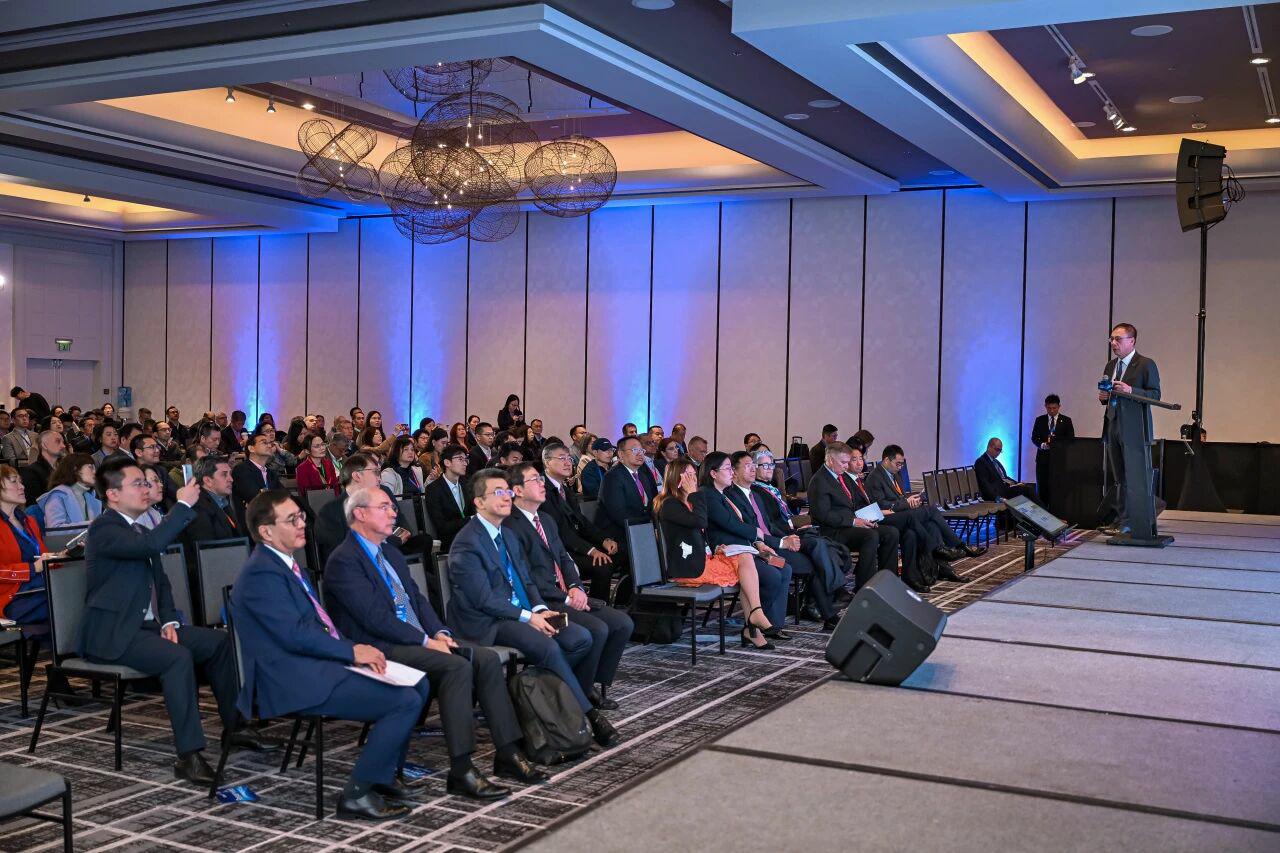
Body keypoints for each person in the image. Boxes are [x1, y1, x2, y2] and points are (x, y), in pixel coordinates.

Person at [323, 486, 546, 798]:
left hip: (415, 638)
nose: (394, 513)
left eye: (392, 507)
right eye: (384, 507)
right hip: (378, 646)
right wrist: (426, 641)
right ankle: (461, 768)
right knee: (456, 667)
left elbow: (417, 599)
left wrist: (439, 632)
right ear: (360, 514)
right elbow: (375, 619)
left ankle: (507, 752)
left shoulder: (389, 551)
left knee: (484, 659)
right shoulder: (344, 560)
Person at [231, 490, 429, 820]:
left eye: (301, 517)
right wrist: (351, 651)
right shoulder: (260, 573)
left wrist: (352, 650)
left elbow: (315, 629)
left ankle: (382, 776)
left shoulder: (286, 564)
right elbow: (295, 635)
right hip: (289, 678)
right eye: (291, 520)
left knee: (418, 684)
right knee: (404, 700)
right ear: (266, 531)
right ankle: (357, 794)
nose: (302, 525)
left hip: (314, 663)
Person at [80, 458, 273, 784]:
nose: (146, 488)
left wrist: (169, 620)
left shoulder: (139, 529)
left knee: (220, 643)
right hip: (114, 633)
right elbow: (151, 545)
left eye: (146, 482)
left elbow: (162, 583)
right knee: (177, 658)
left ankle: (236, 726)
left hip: (146, 628)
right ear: (112, 494)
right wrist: (182, 505)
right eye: (138, 483)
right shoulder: (104, 529)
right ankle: (189, 755)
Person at [445, 468, 618, 747]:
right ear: (479, 502)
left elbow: (525, 580)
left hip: (518, 611)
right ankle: (589, 715)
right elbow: (484, 600)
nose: (506, 497)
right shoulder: (467, 542)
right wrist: (528, 617)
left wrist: (538, 608)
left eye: (507, 491)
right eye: (498, 492)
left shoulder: (506, 534)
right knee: (548, 647)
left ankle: (544, 698)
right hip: (487, 621)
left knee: (580, 638)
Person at [504, 462, 633, 708]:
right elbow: (525, 576)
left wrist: (575, 586)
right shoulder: (511, 525)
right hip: (542, 601)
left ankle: (589, 683)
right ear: (517, 490)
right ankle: (579, 694)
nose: (542, 484)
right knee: (597, 629)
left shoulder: (546, 519)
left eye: (541, 479)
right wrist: (566, 598)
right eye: (535, 480)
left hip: (565, 591)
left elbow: (564, 558)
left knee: (621, 623)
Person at [655, 459, 776, 650]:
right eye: (688, 475)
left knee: (745, 556)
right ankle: (753, 624)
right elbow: (700, 522)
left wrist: (716, 548)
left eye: (694, 474)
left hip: (701, 558)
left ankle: (754, 619)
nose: (693, 479)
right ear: (676, 478)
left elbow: (699, 535)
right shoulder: (670, 504)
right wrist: (694, 494)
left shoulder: (689, 501)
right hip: (687, 567)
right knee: (745, 568)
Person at [732, 451, 841, 630]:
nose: (752, 469)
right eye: (749, 466)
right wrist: (782, 542)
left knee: (816, 557)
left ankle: (820, 611)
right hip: (761, 550)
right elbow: (752, 531)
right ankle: (820, 611)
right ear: (734, 472)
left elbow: (769, 525)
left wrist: (787, 536)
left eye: (753, 465)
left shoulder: (755, 495)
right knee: (807, 562)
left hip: (775, 542)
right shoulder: (735, 496)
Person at [700, 451, 792, 634]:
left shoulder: (723, 494)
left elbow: (742, 522)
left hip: (747, 549)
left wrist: (758, 542)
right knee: (772, 576)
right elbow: (729, 524)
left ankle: (774, 624)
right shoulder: (708, 495)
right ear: (713, 473)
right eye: (728, 468)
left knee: (784, 567)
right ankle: (754, 623)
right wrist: (756, 534)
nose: (731, 472)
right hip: (728, 553)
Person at [867, 445, 979, 574]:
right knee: (932, 511)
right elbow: (881, 504)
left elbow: (900, 497)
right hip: (888, 517)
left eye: (902, 464)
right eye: (898, 464)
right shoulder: (875, 477)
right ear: (886, 460)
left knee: (932, 525)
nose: (900, 467)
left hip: (902, 512)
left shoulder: (895, 474)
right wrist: (906, 503)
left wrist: (911, 500)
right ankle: (957, 546)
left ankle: (942, 568)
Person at [806, 442, 899, 591]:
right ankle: (864, 587)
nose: (846, 466)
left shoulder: (841, 476)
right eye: (843, 462)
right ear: (830, 460)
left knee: (891, 533)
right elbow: (823, 515)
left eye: (847, 462)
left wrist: (866, 519)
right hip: (831, 530)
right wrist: (854, 521)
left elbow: (854, 504)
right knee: (870, 536)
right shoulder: (819, 481)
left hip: (849, 524)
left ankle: (887, 581)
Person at [1099, 322, 1162, 538]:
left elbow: (1155, 395)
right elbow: (1108, 394)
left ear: (1132, 341)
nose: (1113, 343)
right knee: (1119, 477)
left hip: (1135, 429)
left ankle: (1132, 521)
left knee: (1135, 477)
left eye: (1118, 339)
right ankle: (1121, 519)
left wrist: (1130, 390)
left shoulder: (1145, 364)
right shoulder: (1110, 366)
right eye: (1111, 339)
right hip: (1113, 424)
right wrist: (1104, 397)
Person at [540, 443, 623, 602]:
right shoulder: (542, 490)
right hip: (558, 549)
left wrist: (603, 540)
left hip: (574, 543)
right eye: (562, 458)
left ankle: (618, 602)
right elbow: (559, 531)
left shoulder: (564, 488)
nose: (568, 463)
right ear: (547, 462)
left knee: (619, 551)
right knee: (603, 565)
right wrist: (591, 550)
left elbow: (581, 521)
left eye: (569, 458)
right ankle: (596, 607)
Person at [314, 453, 427, 566]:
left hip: (393, 550)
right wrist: (392, 541)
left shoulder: (384, 492)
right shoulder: (331, 512)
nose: (380, 478)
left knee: (424, 541)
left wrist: (400, 535)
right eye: (376, 472)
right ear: (357, 476)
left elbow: (401, 521)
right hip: (360, 564)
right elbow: (340, 554)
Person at [0, 465, 60, 625]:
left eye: (20, 481)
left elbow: (43, 557)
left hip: (39, 588)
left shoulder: (29, 521)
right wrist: (33, 568)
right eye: (14, 481)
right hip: (11, 598)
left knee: (72, 589)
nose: (22, 486)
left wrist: (60, 557)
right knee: (66, 597)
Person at [594, 435, 658, 545]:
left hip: (641, 528)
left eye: (641, 450)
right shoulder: (612, 477)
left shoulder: (642, 475)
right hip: (619, 534)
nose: (640, 454)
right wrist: (647, 529)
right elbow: (619, 514)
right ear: (621, 454)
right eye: (635, 450)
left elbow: (651, 505)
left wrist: (655, 526)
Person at [423, 444, 471, 552]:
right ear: (447, 462)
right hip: (450, 541)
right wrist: (469, 520)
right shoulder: (433, 489)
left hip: (471, 534)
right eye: (460, 459)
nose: (465, 463)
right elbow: (442, 526)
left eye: (466, 459)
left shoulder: (467, 484)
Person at [1030, 394, 1075, 510]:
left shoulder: (1066, 421)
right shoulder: (1040, 420)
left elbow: (1071, 440)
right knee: (1042, 488)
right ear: (1045, 406)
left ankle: (1057, 513)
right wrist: (1041, 445)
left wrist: (1059, 446)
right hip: (1043, 460)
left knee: (1058, 488)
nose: (1052, 411)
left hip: (1059, 461)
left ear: (1059, 406)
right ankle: (1043, 513)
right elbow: (1034, 437)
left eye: (1054, 408)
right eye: (1049, 408)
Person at [231, 431, 282, 527]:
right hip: (252, 523)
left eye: (270, 443)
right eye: (264, 443)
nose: (269, 446)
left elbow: (284, 495)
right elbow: (255, 497)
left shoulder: (270, 473)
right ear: (251, 448)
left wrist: (265, 493)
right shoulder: (241, 470)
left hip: (272, 520)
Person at [38, 453, 101, 527]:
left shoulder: (90, 496)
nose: (95, 472)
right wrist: (91, 524)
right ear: (75, 469)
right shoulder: (57, 496)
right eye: (90, 467)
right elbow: (54, 529)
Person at [974, 438, 1036, 503]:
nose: (998, 453)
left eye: (1000, 450)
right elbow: (985, 484)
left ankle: (1038, 509)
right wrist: (997, 497)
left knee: (1030, 487)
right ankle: (1041, 509)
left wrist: (1017, 483)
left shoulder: (996, 461)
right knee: (1027, 490)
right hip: (999, 492)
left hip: (1006, 488)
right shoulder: (981, 462)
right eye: (997, 449)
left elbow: (1004, 477)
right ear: (989, 447)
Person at [20, 430, 65, 507]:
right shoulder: (31, 471)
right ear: (44, 445)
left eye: (63, 442)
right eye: (58, 441)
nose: (63, 446)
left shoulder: (66, 469)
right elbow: (34, 503)